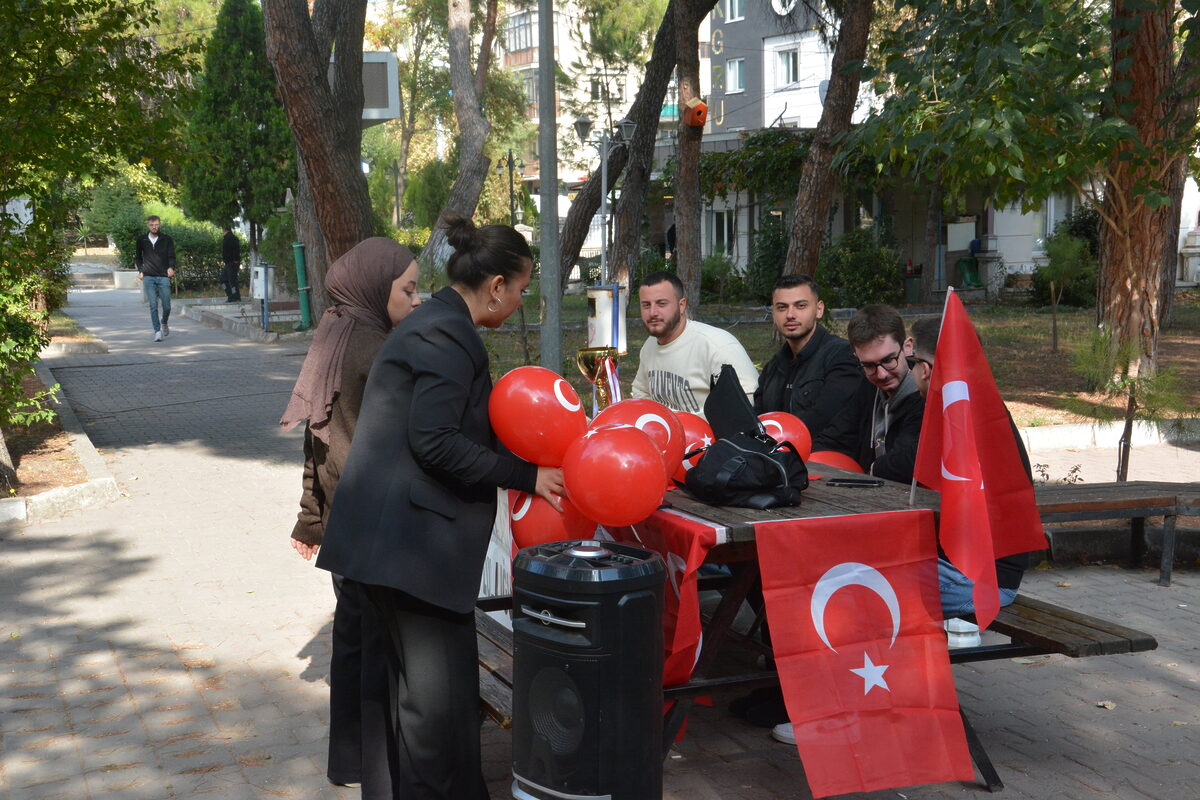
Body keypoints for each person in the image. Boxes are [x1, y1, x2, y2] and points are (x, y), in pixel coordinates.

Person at [315, 215, 564, 799]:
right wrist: (528, 474)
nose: (519, 302)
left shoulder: (435, 324)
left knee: (413, 700)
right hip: (412, 553)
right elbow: (436, 441)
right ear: (497, 285)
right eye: (522, 290)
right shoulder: (446, 334)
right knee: (438, 710)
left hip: (393, 549)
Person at [279, 237, 421, 791]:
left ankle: (349, 762)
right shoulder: (373, 347)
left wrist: (310, 517)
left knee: (353, 641)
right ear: (373, 287)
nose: (415, 301)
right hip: (373, 523)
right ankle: (377, 767)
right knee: (377, 649)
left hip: (343, 519)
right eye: (407, 289)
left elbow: (312, 439)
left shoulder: (334, 332)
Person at [908, 316, 1036, 620]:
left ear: (925, 370)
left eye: (912, 363)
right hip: (982, 572)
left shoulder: (959, 416)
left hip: (979, 580)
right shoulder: (977, 404)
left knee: (861, 580)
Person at [812, 304, 925, 483]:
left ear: (908, 347)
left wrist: (874, 468)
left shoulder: (925, 396)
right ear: (857, 358)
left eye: (889, 360)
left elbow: (912, 461)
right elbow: (834, 439)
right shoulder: (868, 389)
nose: (881, 374)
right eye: (869, 365)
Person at [631, 271, 758, 418]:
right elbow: (641, 392)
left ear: (682, 305)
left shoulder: (717, 345)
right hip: (666, 436)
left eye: (662, 304)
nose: (653, 312)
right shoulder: (650, 346)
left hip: (712, 438)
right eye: (646, 305)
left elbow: (749, 399)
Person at [754, 274, 866, 439]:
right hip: (775, 457)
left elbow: (829, 423)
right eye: (782, 307)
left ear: (819, 309)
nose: (790, 314)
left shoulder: (842, 356)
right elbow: (757, 419)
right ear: (773, 313)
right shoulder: (774, 366)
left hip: (824, 459)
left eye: (800, 306)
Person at [135, 215, 176, 342]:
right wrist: (141, 271)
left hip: (163, 276)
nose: (154, 227)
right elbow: (138, 257)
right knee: (153, 305)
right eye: (152, 225)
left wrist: (171, 267)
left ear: (160, 225)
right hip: (148, 277)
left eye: (157, 224)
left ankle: (164, 322)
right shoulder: (142, 239)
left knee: (167, 306)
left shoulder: (166, 239)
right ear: (148, 225)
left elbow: (172, 256)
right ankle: (157, 331)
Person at [221, 227, 242, 302]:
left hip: (232, 263)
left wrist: (235, 260)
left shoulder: (231, 238)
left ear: (225, 229)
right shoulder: (227, 238)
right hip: (228, 263)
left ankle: (235, 297)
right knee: (223, 280)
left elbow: (236, 249)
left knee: (232, 281)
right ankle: (231, 295)